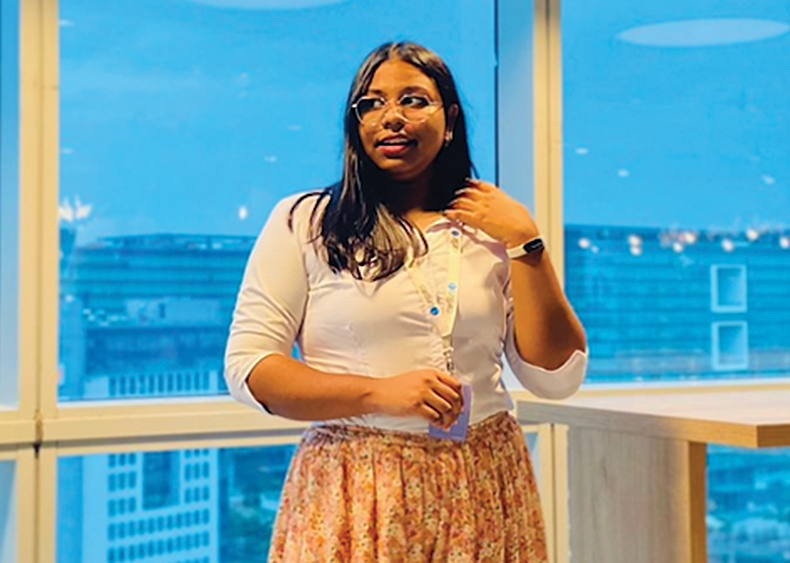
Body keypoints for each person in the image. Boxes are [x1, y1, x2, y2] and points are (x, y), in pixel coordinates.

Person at [225, 41, 588, 563]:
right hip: (355, 483)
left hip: (485, 477)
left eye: (414, 100)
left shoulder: (492, 226)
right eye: (370, 104)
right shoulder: (305, 221)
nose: (390, 117)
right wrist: (378, 394)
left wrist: (527, 244)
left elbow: (557, 377)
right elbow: (250, 369)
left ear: (451, 119)